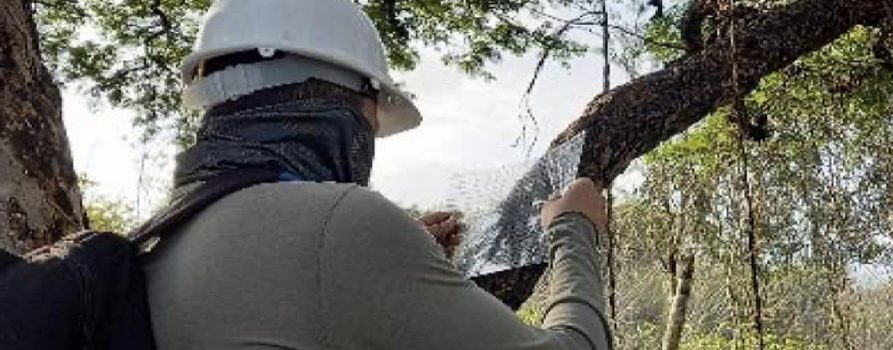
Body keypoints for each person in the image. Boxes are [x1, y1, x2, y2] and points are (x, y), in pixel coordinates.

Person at [142, 0, 613, 349]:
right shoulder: (339, 224)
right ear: (333, 105)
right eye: (367, 122)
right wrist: (575, 228)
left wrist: (399, 257)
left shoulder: (167, 230)